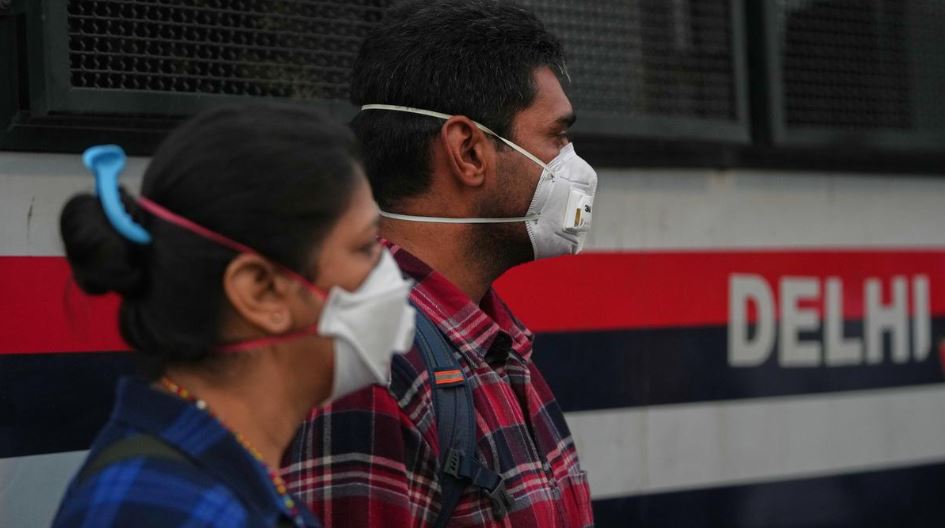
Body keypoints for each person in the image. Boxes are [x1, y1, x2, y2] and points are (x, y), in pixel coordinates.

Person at [281, 1, 597, 526]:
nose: (576, 167)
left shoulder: (491, 343)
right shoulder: (372, 367)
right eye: (556, 137)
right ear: (468, 152)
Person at [52, 102, 416, 527]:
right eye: (365, 246)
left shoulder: (231, 480)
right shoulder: (161, 509)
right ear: (260, 291)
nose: (388, 272)